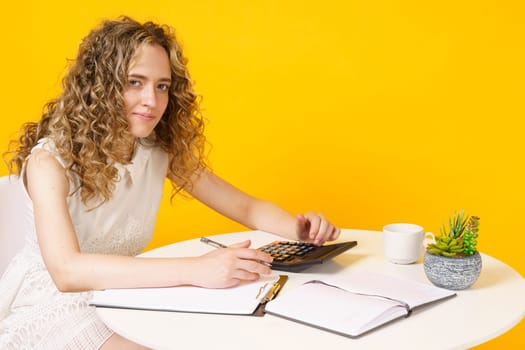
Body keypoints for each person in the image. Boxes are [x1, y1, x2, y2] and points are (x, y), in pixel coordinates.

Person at [0, 16, 340, 349]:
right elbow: (67, 272)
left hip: (125, 295)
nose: (152, 100)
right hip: (56, 307)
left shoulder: (156, 151)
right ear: (99, 87)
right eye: (135, 82)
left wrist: (299, 231)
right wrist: (196, 269)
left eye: (162, 85)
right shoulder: (50, 161)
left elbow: (245, 206)